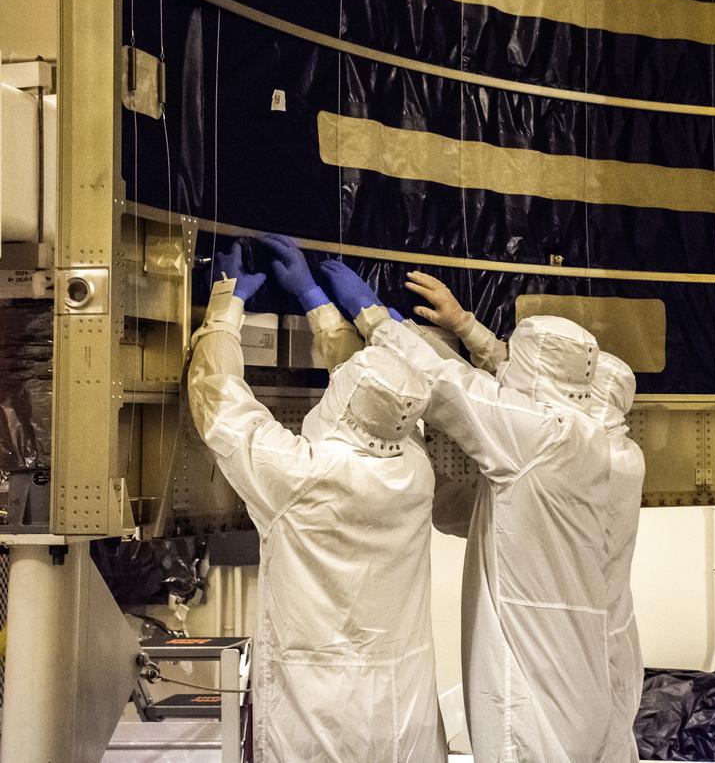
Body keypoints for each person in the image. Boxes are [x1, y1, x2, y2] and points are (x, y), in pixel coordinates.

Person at [320, 261, 614, 763]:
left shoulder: (540, 436)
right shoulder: (587, 434)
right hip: (575, 688)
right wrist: (461, 326)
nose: (501, 369)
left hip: (532, 705)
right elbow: (477, 514)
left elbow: (450, 385)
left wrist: (374, 319)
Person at [187, 240, 447, 763]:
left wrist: (225, 305)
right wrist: (317, 301)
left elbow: (219, 397)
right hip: (406, 714)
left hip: (317, 719)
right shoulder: (415, 469)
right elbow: (375, 399)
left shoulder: (299, 476)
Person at [404, 272, 646, 762]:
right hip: (595, 656)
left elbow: (473, 396)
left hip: (556, 666)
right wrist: (468, 329)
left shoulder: (561, 446)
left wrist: (381, 324)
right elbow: (526, 400)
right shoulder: (616, 454)